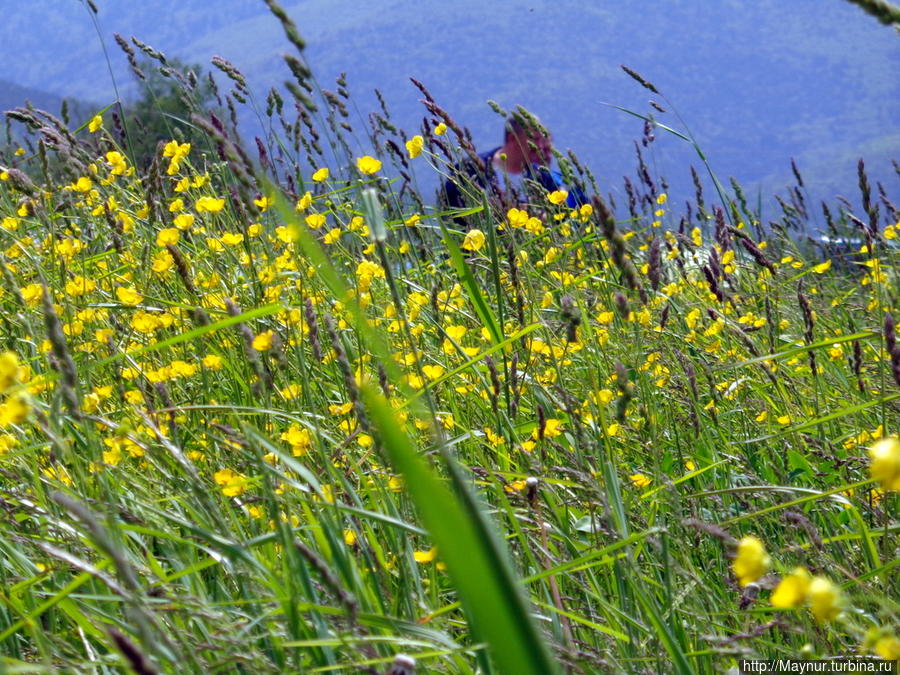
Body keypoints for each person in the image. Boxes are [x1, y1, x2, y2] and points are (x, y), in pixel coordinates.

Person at [442, 111, 586, 218]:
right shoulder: (468, 171)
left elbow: (566, 216)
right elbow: (450, 215)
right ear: (513, 139)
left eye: (542, 140)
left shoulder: (544, 177)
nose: (540, 146)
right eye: (534, 139)